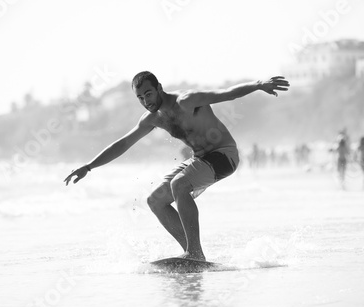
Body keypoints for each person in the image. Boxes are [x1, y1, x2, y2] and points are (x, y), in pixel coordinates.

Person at [64, 71, 290, 261]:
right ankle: (193, 253)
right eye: (140, 97)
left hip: (224, 155)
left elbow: (226, 94)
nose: (146, 100)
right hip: (201, 158)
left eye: (149, 94)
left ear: (160, 88)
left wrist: (259, 85)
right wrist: (89, 166)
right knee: (155, 200)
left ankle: (194, 251)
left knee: (179, 184)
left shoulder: (187, 100)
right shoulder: (152, 119)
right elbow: (124, 143)